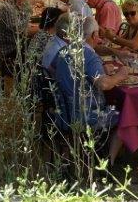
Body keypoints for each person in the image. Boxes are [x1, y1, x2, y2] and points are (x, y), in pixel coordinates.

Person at [50, 14, 128, 161]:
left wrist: (90, 74)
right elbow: (104, 84)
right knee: (127, 116)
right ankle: (108, 162)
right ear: (94, 35)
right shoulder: (89, 55)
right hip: (86, 116)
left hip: (64, 113)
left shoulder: (64, 51)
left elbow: (53, 68)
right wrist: (121, 75)